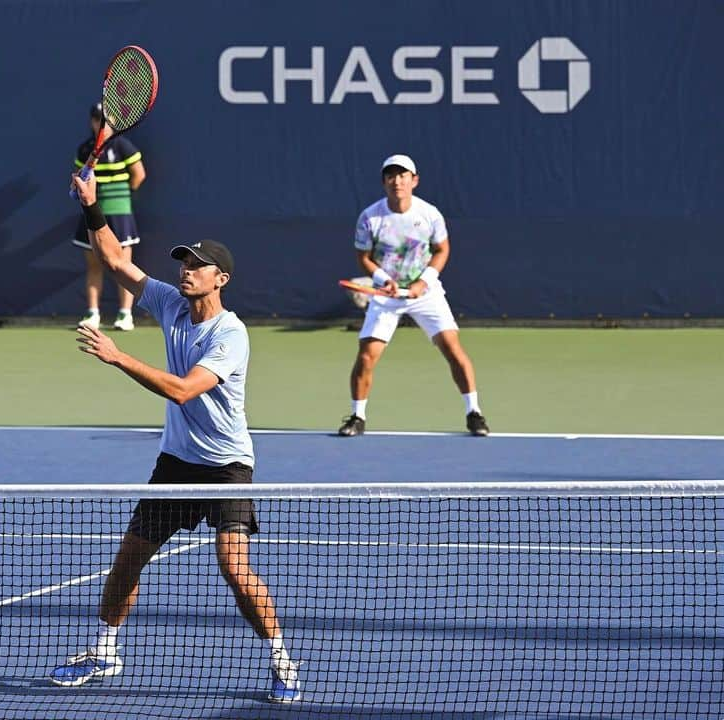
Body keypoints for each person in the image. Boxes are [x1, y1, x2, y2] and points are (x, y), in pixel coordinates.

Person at [49, 170, 301, 704]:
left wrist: (119, 358)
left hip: (227, 466)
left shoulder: (230, 335)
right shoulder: (167, 303)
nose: (185, 271)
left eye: (196, 265)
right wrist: (93, 206)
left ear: (221, 279)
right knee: (127, 560)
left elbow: (185, 391)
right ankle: (104, 650)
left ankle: (281, 660)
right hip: (176, 463)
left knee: (234, 569)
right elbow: (117, 261)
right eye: (183, 263)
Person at [338, 154, 490, 437]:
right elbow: (364, 257)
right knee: (367, 356)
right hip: (386, 295)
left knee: (453, 350)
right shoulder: (370, 217)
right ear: (384, 182)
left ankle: (474, 413)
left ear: (414, 180)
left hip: (425, 293)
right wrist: (384, 279)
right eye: (391, 176)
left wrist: (424, 280)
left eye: (403, 175)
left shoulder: (429, 214)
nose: (397, 181)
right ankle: (357, 416)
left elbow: (442, 249)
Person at [72, 102, 146, 331]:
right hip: (92, 212)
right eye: (98, 120)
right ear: (93, 122)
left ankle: (125, 315)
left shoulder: (123, 146)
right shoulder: (85, 150)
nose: (103, 124)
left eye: (106, 120)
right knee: (94, 265)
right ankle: (93, 314)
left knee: (123, 266)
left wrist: (121, 197)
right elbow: (79, 180)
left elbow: (138, 175)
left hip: (120, 214)